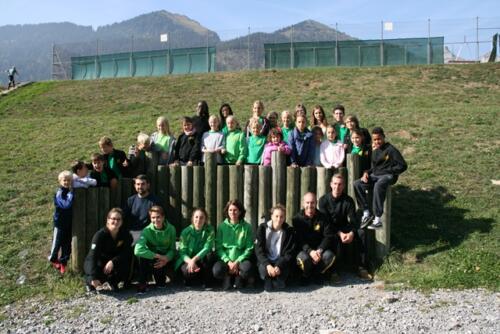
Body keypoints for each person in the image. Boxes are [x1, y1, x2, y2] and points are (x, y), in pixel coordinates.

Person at [318, 174, 371, 281]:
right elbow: (326, 223)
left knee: (361, 233)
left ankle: (362, 268)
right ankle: (334, 271)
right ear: (331, 185)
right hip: (330, 229)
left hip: (345, 228)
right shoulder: (323, 200)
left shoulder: (348, 200)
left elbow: (353, 220)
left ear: (343, 186)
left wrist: (351, 232)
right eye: (335, 184)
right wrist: (339, 233)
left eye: (340, 184)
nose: (337, 187)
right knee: (332, 236)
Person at [354, 127, 407, 229]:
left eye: (379, 139)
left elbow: (403, 165)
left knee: (379, 185)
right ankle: (366, 212)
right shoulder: (375, 151)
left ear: (383, 137)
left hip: (388, 176)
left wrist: (390, 171)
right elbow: (375, 168)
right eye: (375, 139)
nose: (377, 141)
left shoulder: (391, 149)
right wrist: (366, 173)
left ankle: (377, 219)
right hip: (376, 175)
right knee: (357, 183)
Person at [84, 208, 133, 292]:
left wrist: (113, 261)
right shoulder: (99, 235)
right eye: (113, 219)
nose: (116, 221)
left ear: (122, 221)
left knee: (126, 262)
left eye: (118, 219)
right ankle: (90, 283)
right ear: (108, 220)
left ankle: (113, 282)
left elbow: (127, 252)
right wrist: (92, 276)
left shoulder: (125, 234)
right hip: (101, 263)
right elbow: (92, 256)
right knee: (95, 273)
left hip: (114, 262)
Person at [293, 192, 335, 284]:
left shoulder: (323, 218)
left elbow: (328, 236)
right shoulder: (297, 219)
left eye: (312, 202)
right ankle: (306, 274)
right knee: (303, 259)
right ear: (303, 203)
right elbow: (299, 239)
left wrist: (320, 250)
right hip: (305, 251)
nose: (310, 205)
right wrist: (310, 251)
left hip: (319, 250)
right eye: (307, 202)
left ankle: (318, 274)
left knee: (329, 256)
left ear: (316, 203)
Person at [213, 199, 254, 290]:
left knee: (247, 269)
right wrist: (228, 261)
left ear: (240, 211)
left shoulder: (247, 227)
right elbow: (219, 247)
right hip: (226, 260)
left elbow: (249, 248)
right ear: (227, 211)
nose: (233, 212)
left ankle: (238, 277)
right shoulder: (222, 227)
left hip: (241, 260)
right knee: (217, 270)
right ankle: (227, 277)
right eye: (230, 210)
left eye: (235, 210)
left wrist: (237, 261)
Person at [134, 206, 176, 293]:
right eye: (153, 217)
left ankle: (161, 280)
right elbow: (137, 250)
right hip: (153, 258)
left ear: (163, 217)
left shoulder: (171, 229)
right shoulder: (146, 231)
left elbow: (172, 250)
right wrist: (158, 256)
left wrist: (166, 258)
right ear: (150, 218)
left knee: (161, 285)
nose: (156, 220)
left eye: (158, 217)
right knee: (143, 256)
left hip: (166, 260)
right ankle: (142, 283)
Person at [254, 204, 295, 291]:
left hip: (279, 261)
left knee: (286, 268)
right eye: (276, 216)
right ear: (272, 216)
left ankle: (278, 279)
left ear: (284, 218)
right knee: (263, 270)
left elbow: (289, 253)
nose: (279, 219)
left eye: (281, 217)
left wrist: (279, 266)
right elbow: (259, 250)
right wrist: (268, 265)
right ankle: (267, 280)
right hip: (267, 261)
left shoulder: (289, 231)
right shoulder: (262, 228)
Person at [175, 208, 216, 287]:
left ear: (205, 219)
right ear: (192, 218)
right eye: (196, 217)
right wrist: (190, 261)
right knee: (187, 272)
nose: (198, 219)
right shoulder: (185, 232)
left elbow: (207, 247)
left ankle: (206, 281)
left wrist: (194, 260)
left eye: (201, 217)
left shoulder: (210, 230)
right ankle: (190, 280)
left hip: (202, 259)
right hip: (188, 259)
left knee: (210, 255)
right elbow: (182, 252)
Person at [48, 171, 74, 274]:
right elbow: (65, 205)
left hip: (69, 222)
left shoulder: (70, 191)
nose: (67, 182)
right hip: (59, 223)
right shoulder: (59, 192)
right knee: (57, 242)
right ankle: (53, 259)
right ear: (60, 181)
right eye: (65, 180)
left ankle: (64, 262)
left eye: (69, 180)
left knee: (67, 244)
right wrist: (71, 193)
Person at [123, 174, 162, 244]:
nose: (140, 187)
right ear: (135, 186)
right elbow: (124, 217)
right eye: (138, 184)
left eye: (143, 184)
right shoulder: (130, 200)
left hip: (148, 233)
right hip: (132, 232)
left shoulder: (155, 201)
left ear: (148, 185)